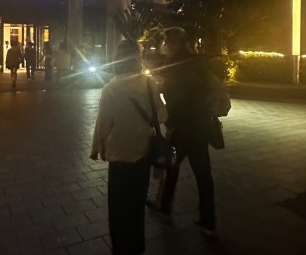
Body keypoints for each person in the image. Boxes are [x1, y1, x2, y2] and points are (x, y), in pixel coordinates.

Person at [90, 39, 167, 255]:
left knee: (118, 205)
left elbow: (103, 123)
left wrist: (96, 148)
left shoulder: (111, 88)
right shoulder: (149, 83)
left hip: (119, 152)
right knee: (137, 202)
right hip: (143, 149)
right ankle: (137, 245)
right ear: (138, 58)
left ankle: (120, 246)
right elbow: (162, 115)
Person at [147, 26, 218, 236]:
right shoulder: (198, 62)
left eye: (165, 42)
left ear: (172, 44)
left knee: (171, 165)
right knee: (203, 174)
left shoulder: (176, 65)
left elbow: (175, 99)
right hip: (201, 124)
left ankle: (164, 207)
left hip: (181, 127)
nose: (163, 45)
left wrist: (167, 116)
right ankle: (208, 219)